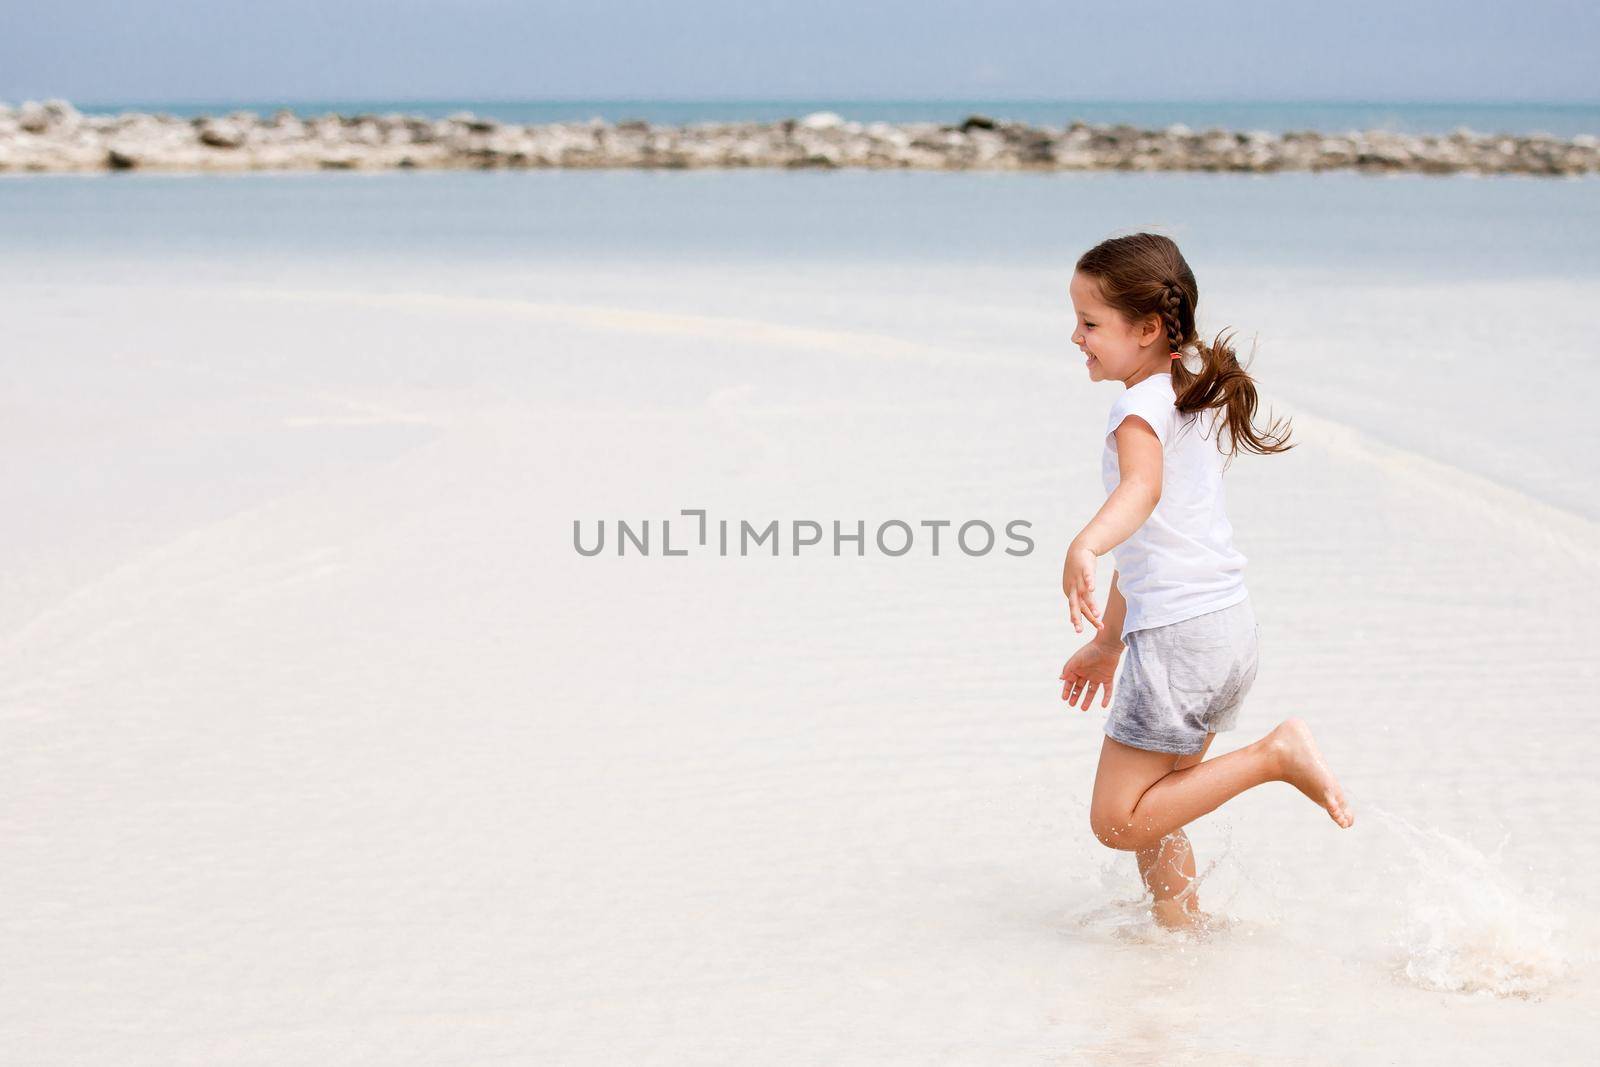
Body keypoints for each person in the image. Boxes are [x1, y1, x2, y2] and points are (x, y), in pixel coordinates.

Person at [1057, 232, 1354, 932]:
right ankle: (1179, 932)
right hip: (1224, 628)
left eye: (1091, 324)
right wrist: (1107, 639)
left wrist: (1085, 541)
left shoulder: (1138, 413)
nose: (1076, 337)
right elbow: (1161, 543)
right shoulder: (1187, 390)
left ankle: (1274, 755)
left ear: (1150, 328)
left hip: (1182, 642)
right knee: (1161, 805)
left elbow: (1142, 493)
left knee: (1116, 822)